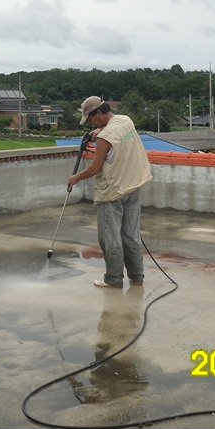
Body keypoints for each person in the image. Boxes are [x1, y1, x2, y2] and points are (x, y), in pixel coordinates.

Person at [67, 96, 153, 289]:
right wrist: (99, 131)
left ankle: (113, 279)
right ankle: (137, 276)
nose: (91, 123)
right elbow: (113, 131)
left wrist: (75, 178)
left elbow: (94, 169)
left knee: (109, 237)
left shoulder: (104, 138)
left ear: (98, 113)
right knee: (131, 234)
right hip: (132, 185)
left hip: (112, 192)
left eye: (90, 119)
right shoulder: (125, 120)